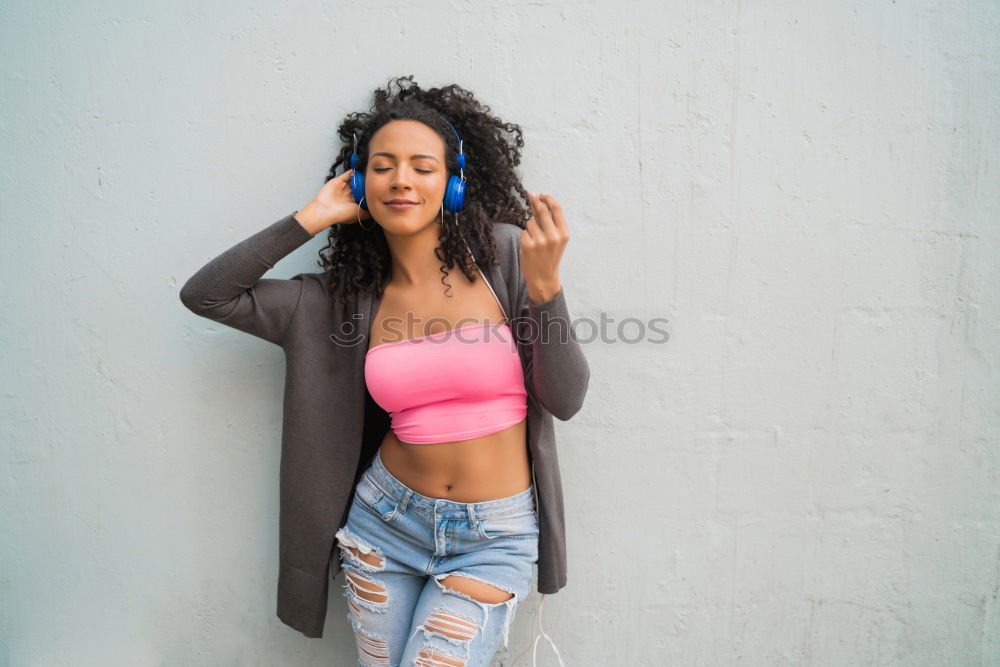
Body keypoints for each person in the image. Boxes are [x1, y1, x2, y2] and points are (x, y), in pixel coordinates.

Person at [179, 75, 589, 666]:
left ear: (453, 181)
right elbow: (207, 296)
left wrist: (547, 289)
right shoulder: (338, 300)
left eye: (422, 166)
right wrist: (311, 217)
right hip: (384, 526)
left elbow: (567, 396)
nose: (400, 179)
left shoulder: (505, 256)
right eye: (382, 166)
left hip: (494, 537)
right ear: (359, 180)